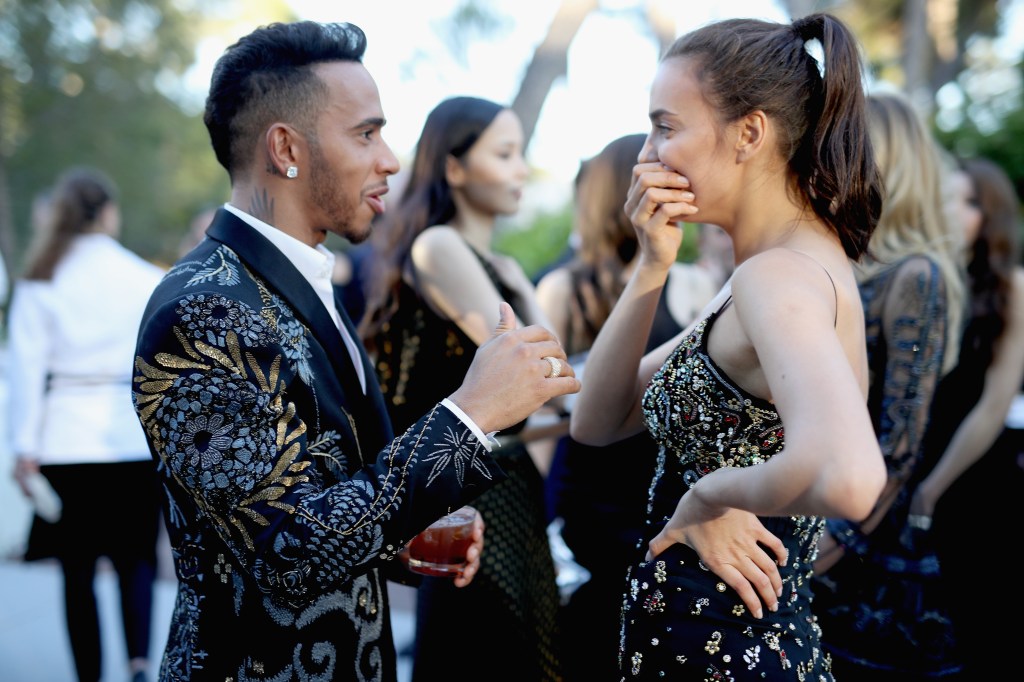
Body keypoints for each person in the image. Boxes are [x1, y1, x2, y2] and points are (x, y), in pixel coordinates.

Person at [131, 21, 578, 682]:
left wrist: (404, 543)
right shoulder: (204, 312)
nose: (391, 160)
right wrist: (472, 412)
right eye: (366, 134)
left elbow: (322, 498)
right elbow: (286, 555)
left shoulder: (303, 287)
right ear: (286, 148)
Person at [569, 13, 888, 680]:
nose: (646, 156)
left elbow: (853, 478)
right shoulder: (769, 271)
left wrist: (709, 495)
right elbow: (597, 420)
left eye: (666, 126)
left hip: (731, 652)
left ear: (749, 134)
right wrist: (652, 266)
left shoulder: (776, 276)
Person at [359, 95, 563, 682]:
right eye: (504, 153)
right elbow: (536, 370)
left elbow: (548, 382)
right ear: (454, 167)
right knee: (487, 652)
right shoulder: (439, 245)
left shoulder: (500, 265)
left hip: (508, 487)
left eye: (520, 153)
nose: (521, 169)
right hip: (471, 494)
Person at [535, 133, 729, 681]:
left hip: (649, 487)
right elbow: (547, 415)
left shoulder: (685, 281)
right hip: (613, 491)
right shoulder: (565, 290)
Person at [810, 91, 968, 680]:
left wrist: (832, 550)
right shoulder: (847, 264)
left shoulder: (917, 275)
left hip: (864, 551)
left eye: (845, 144)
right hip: (820, 515)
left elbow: (899, 445)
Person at [8, 167, 166, 682]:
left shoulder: (41, 279)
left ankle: (89, 675)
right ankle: (140, 663)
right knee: (136, 561)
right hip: (131, 440)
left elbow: (27, 370)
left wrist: (22, 446)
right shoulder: (143, 276)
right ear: (106, 212)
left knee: (76, 572)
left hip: (65, 441)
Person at [913, 156, 1024, 678]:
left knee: (986, 630)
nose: (954, 212)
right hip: (914, 465)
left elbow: (994, 404)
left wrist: (932, 489)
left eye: (969, 202)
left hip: (978, 476)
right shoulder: (925, 280)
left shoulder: (1013, 287)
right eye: (948, 200)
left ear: (991, 214)